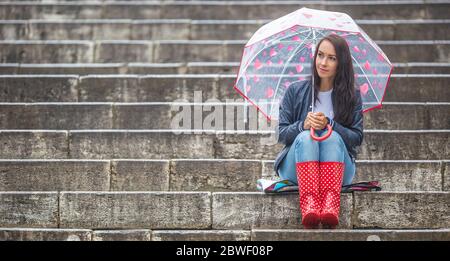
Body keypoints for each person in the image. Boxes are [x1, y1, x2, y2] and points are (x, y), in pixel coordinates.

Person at [273, 34, 364, 229]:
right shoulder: (295, 91)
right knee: (306, 137)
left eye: (332, 58)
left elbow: (356, 138)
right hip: (297, 167)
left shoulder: (352, 96)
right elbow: (281, 133)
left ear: (342, 63)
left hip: (338, 170)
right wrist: (302, 125)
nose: (323, 62)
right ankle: (310, 206)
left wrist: (331, 124)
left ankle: (331, 204)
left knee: (331, 136)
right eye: (320, 55)